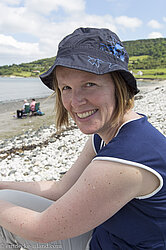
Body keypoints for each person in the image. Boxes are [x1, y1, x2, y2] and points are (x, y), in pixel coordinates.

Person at [0, 27, 165, 250]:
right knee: (8, 198)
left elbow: (41, 230)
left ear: (120, 86)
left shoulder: (127, 159)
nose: (75, 102)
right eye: (66, 88)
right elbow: (61, 188)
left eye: (89, 84)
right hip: (105, 236)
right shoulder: (112, 133)